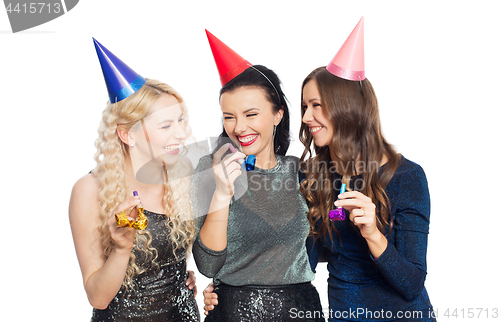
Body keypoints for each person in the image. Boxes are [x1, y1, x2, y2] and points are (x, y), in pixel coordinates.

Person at [300, 18, 436, 321]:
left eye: (316, 105)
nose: (307, 117)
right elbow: (303, 263)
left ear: (347, 108)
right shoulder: (314, 176)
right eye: (304, 107)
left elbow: (412, 284)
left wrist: (373, 233)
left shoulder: (407, 177)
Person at [192, 30, 324, 321]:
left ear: (277, 115)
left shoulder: (302, 170)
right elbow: (207, 266)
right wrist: (222, 195)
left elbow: (328, 240)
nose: (239, 128)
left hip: (299, 310)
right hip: (232, 312)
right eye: (229, 116)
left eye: (251, 114)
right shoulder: (210, 168)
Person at [69, 39, 200, 321]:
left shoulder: (183, 175)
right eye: (166, 125)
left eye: (180, 121)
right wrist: (121, 249)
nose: (180, 133)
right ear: (127, 134)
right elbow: (98, 297)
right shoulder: (90, 190)